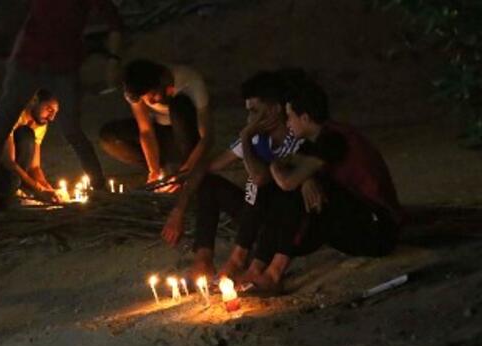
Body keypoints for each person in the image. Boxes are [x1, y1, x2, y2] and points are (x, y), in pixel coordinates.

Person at [0, 0, 122, 223]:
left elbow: (114, 21)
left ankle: (100, 190)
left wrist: (113, 60)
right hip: (28, 61)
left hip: (63, 67)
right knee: (0, 128)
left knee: (72, 130)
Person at [233, 77, 403, 293]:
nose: (287, 123)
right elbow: (292, 173)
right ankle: (257, 267)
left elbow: (287, 182)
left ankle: (274, 273)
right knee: (282, 190)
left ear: (304, 118)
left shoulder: (333, 139)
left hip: (377, 231)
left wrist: (275, 163)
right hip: (348, 221)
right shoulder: (312, 141)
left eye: (290, 117)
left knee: (292, 191)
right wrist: (304, 178)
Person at [176, 71, 304, 278]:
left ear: (274, 110)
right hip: (254, 216)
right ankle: (203, 259)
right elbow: (207, 167)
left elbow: (261, 178)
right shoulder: (256, 137)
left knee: (257, 184)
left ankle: (239, 259)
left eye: (254, 111)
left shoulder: (295, 139)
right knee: (209, 183)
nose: (249, 119)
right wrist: (179, 209)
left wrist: (245, 138)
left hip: (283, 225)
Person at [99, 59, 213, 187]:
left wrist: (187, 170)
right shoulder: (137, 89)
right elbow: (146, 131)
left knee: (179, 105)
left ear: (162, 81)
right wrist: (154, 170)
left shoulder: (190, 81)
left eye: (153, 94)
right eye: (145, 98)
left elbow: (207, 137)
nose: (151, 102)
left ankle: (186, 170)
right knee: (110, 136)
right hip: (163, 137)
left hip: (188, 139)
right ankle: (165, 172)